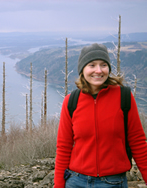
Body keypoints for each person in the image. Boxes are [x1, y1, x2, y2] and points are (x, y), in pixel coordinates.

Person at [54, 43, 147, 188]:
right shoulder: (71, 101)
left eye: (103, 65)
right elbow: (64, 147)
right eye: (92, 65)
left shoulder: (124, 97)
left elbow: (138, 142)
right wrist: (58, 185)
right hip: (76, 181)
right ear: (82, 69)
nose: (98, 70)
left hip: (113, 182)